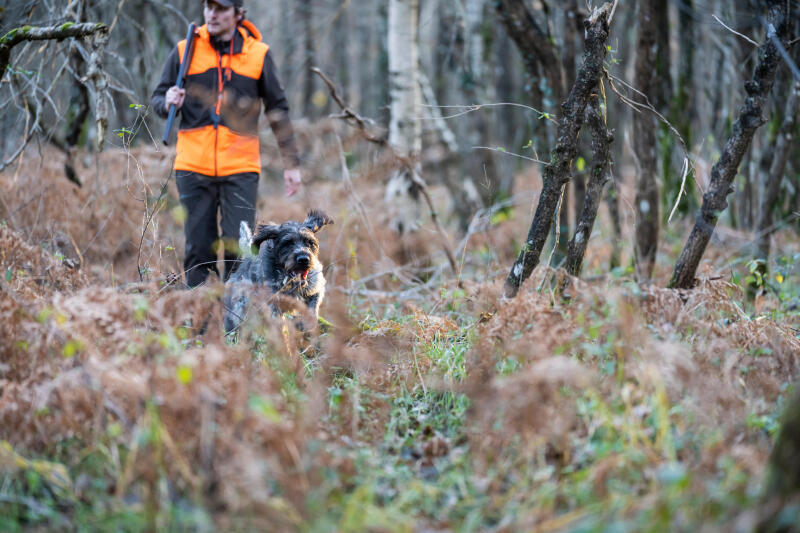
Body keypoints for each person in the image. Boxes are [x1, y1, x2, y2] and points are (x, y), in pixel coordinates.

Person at [152, 0, 301, 287]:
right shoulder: (185, 50)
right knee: (198, 250)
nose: (212, 14)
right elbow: (159, 98)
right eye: (209, 7)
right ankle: (201, 325)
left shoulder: (258, 54)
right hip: (193, 166)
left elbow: (278, 110)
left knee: (240, 248)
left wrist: (291, 163)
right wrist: (167, 100)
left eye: (220, 9)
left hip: (241, 168)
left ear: (238, 14)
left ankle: (236, 323)